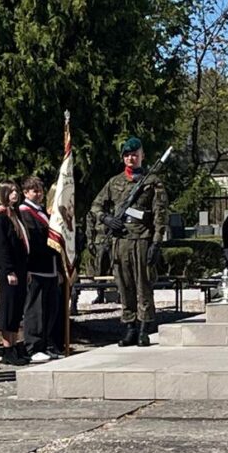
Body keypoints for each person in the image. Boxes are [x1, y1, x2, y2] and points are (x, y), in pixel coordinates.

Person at [89, 137, 168, 347]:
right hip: (120, 241)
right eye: (127, 155)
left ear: (142, 156)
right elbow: (96, 206)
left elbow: (160, 216)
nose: (131, 158)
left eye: (134, 154)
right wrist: (107, 219)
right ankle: (130, 327)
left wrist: (156, 243)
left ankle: (144, 327)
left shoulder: (152, 182)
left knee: (143, 284)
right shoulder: (114, 182)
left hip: (141, 240)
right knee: (124, 286)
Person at [19, 177, 63, 362]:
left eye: (40, 190)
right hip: (36, 267)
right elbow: (32, 240)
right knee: (35, 310)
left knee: (49, 309)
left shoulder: (43, 212)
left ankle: (45, 344)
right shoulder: (24, 212)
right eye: (34, 191)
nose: (38, 194)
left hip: (50, 267)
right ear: (26, 193)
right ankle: (33, 346)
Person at [0, 181, 30, 366]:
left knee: (16, 310)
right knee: (8, 309)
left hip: (20, 268)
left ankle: (14, 345)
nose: (15, 194)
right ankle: (6, 348)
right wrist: (7, 271)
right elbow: (0, 247)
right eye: (11, 191)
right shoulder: (1, 218)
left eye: (16, 191)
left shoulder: (15, 214)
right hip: (9, 271)